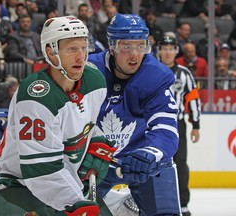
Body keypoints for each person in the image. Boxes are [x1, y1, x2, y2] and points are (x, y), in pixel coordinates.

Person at [0, 16, 117, 216]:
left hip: (68, 183)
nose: (81, 57)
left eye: (84, 48)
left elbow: (85, 122)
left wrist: (95, 140)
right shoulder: (36, 96)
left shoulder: (95, 81)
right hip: (21, 186)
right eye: (72, 49)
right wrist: (76, 202)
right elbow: (40, 171)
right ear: (51, 52)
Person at [88, 13, 181, 216]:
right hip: (95, 160)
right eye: (127, 47)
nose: (135, 55)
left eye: (140, 46)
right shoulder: (88, 71)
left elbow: (165, 128)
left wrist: (151, 153)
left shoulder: (156, 76)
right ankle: (114, 204)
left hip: (141, 160)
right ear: (112, 46)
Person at [157, 35, 201, 216]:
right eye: (164, 48)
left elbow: (193, 99)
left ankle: (183, 203)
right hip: (154, 123)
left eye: (171, 48)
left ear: (176, 51)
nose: (168, 52)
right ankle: (155, 200)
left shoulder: (184, 73)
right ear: (159, 50)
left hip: (178, 123)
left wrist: (196, 125)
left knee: (180, 162)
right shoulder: (151, 70)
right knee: (155, 161)